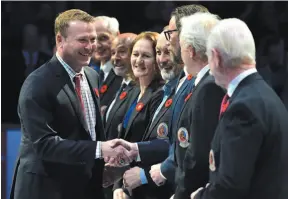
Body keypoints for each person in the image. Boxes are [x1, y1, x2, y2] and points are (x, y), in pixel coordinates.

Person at [10, 9, 131, 199]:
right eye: (83, 40)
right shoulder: (38, 83)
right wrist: (100, 149)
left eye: (93, 39)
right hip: (46, 190)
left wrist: (101, 168)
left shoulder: (91, 75)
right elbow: (45, 145)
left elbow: (89, 131)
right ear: (60, 40)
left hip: (84, 187)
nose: (91, 46)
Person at [191, 18, 288, 199]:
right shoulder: (265, 94)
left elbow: (230, 186)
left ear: (216, 57)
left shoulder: (243, 108)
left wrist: (199, 197)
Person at [113, 29, 183, 199]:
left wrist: (135, 180)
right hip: (128, 184)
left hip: (150, 187)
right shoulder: (133, 92)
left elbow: (160, 144)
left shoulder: (160, 94)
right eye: (135, 54)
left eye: (146, 55)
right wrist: (118, 184)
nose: (138, 60)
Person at [149, 4, 210, 190]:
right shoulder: (186, 78)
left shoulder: (208, 84)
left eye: (171, 32)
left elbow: (197, 149)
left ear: (186, 34)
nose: (169, 39)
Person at [171, 13, 225, 199]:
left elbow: (199, 153)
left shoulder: (209, 86)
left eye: (182, 45)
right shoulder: (205, 82)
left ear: (191, 50)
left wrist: (181, 194)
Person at [104, 33, 139, 140]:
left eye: (122, 52)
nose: (115, 58)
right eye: (113, 53)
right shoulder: (120, 86)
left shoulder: (141, 89)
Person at [94, 16, 123, 114]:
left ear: (117, 35)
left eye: (103, 38)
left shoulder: (125, 74)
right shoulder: (90, 74)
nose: (97, 45)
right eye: (93, 39)